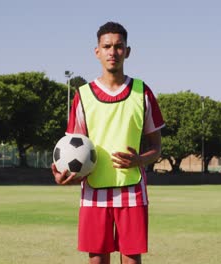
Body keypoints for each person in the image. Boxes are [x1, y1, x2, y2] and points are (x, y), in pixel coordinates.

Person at [52, 21, 164, 264]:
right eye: (107, 46)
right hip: (93, 190)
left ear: (128, 51)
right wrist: (66, 175)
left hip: (132, 190)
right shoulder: (82, 95)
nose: (113, 52)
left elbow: (157, 147)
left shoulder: (142, 92)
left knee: (132, 258)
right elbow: (72, 147)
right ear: (97, 51)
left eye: (119, 46)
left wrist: (139, 160)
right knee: (97, 259)